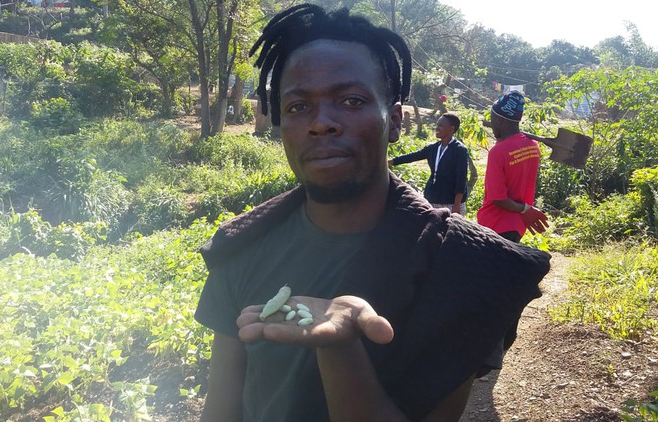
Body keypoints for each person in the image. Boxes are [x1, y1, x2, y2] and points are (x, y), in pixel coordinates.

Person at [194, 5, 550, 421]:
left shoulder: (470, 268)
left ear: (395, 119)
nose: (321, 123)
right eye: (297, 107)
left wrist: (340, 347)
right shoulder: (242, 247)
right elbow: (220, 409)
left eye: (351, 100)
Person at [476, 91, 549, 375]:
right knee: (503, 284)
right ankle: (504, 339)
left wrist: (524, 210)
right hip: (515, 228)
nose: (491, 123)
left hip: (496, 225)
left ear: (500, 119)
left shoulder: (499, 152)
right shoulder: (532, 146)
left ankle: (489, 358)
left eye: (493, 118)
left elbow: (497, 197)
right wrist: (526, 211)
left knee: (492, 293)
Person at [389, 113, 469, 215]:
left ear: (451, 129)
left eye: (441, 126)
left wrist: (457, 205)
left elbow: (461, 179)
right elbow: (414, 156)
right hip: (432, 198)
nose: (437, 128)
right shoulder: (433, 148)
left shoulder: (459, 150)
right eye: (437, 125)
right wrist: (391, 162)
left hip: (450, 202)